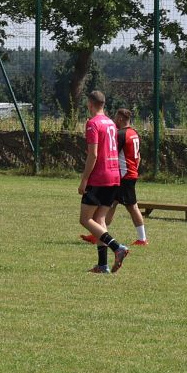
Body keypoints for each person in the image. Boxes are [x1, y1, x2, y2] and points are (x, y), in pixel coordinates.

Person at [79, 90, 131, 274]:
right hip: (114, 176)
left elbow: (93, 154)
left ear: (89, 104)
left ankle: (117, 247)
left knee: (85, 219)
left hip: (99, 177)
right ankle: (102, 265)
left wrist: (84, 179)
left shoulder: (92, 124)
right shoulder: (111, 123)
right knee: (99, 219)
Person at [108, 105, 148, 246]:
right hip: (129, 174)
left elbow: (112, 153)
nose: (114, 120)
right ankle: (99, 234)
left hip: (124, 176)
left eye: (115, 117)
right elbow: (139, 156)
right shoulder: (134, 133)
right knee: (110, 204)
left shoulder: (121, 135)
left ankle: (142, 239)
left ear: (120, 118)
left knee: (132, 207)